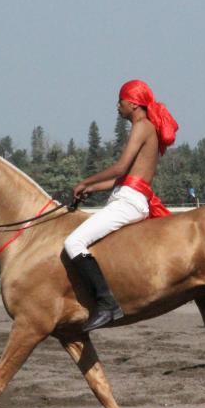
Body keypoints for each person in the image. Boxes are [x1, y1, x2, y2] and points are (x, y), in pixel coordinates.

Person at [64, 79, 178, 332]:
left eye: (121, 101)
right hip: (129, 196)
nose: (117, 106)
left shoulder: (142, 126)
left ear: (133, 104)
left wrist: (85, 180)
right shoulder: (145, 127)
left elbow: (120, 168)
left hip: (129, 202)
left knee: (73, 243)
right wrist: (91, 188)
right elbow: (124, 178)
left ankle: (107, 303)